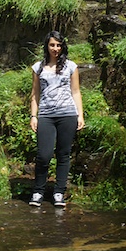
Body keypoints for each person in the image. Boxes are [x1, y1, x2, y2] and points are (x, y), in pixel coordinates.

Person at [29, 30, 84, 208]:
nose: (55, 48)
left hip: (67, 114)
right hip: (46, 115)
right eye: (52, 45)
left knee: (63, 154)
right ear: (47, 46)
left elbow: (76, 92)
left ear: (63, 47)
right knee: (43, 155)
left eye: (59, 45)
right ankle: (38, 191)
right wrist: (33, 116)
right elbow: (35, 93)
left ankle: (59, 192)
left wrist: (80, 115)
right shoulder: (38, 67)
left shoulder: (71, 67)